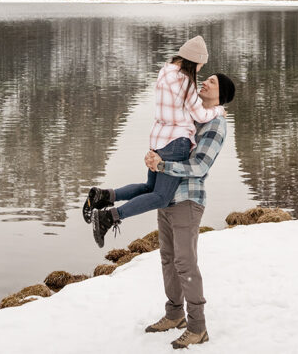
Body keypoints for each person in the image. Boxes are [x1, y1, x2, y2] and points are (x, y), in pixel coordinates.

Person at [85, 35, 225, 248]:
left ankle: (104, 195)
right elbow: (200, 115)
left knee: (149, 187)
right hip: (176, 142)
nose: (199, 72)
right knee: (161, 197)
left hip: (158, 139)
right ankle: (109, 217)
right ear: (193, 61)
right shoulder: (185, 82)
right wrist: (219, 109)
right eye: (199, 67)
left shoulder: (165, 71)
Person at [142, 72, 234, 349]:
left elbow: (199, 167)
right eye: (206, 78)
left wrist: (163, 166)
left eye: (213, 82)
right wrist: (153, 157)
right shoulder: (189, 117)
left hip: (188, 200)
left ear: (222, 95)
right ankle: (174, 315)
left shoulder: (216, 124)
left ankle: (197, 327)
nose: (205, 81)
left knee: (185, 263)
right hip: (165, 196)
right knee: (168, 259)